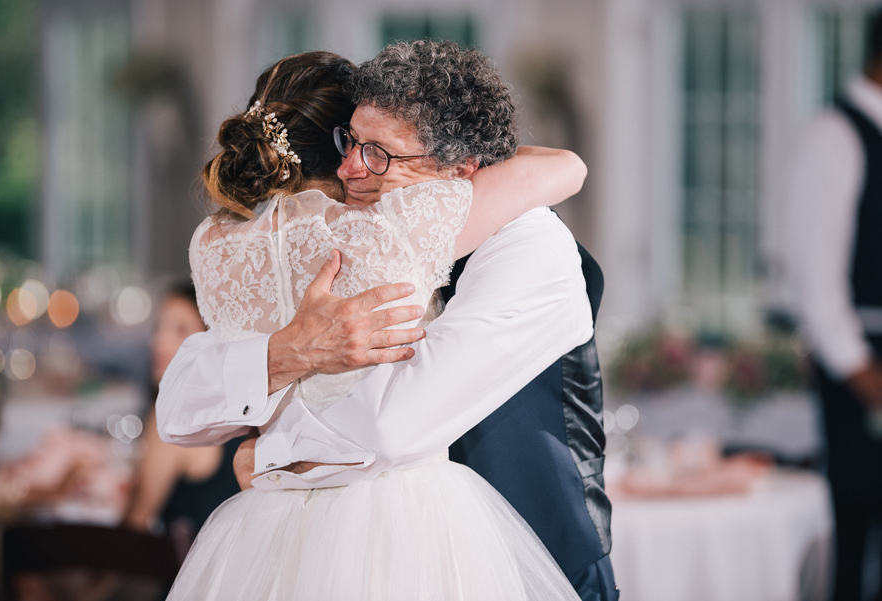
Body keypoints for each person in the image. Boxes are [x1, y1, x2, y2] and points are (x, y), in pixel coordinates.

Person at [158, 47, 592, 600]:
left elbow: (394, 423)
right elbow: (178, 402)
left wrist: (268, 455)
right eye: (349, 142)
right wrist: (288, 351)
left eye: (379, 154)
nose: (349, 169)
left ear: (461, 173)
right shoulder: (367, 232)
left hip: (505, 550)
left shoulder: (527, 246)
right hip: (326, 538)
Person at [785, 9, 882, 601]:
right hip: (861, 363)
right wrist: (865, 374)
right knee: (857, 536)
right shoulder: (835, 135)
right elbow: (815, 282)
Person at [122, 282, 242, 548]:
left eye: (180, 330)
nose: (160, 341)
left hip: (184, 577)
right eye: (159, 327)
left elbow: (136, 525)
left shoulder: (175, 417)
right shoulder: (240, 408)